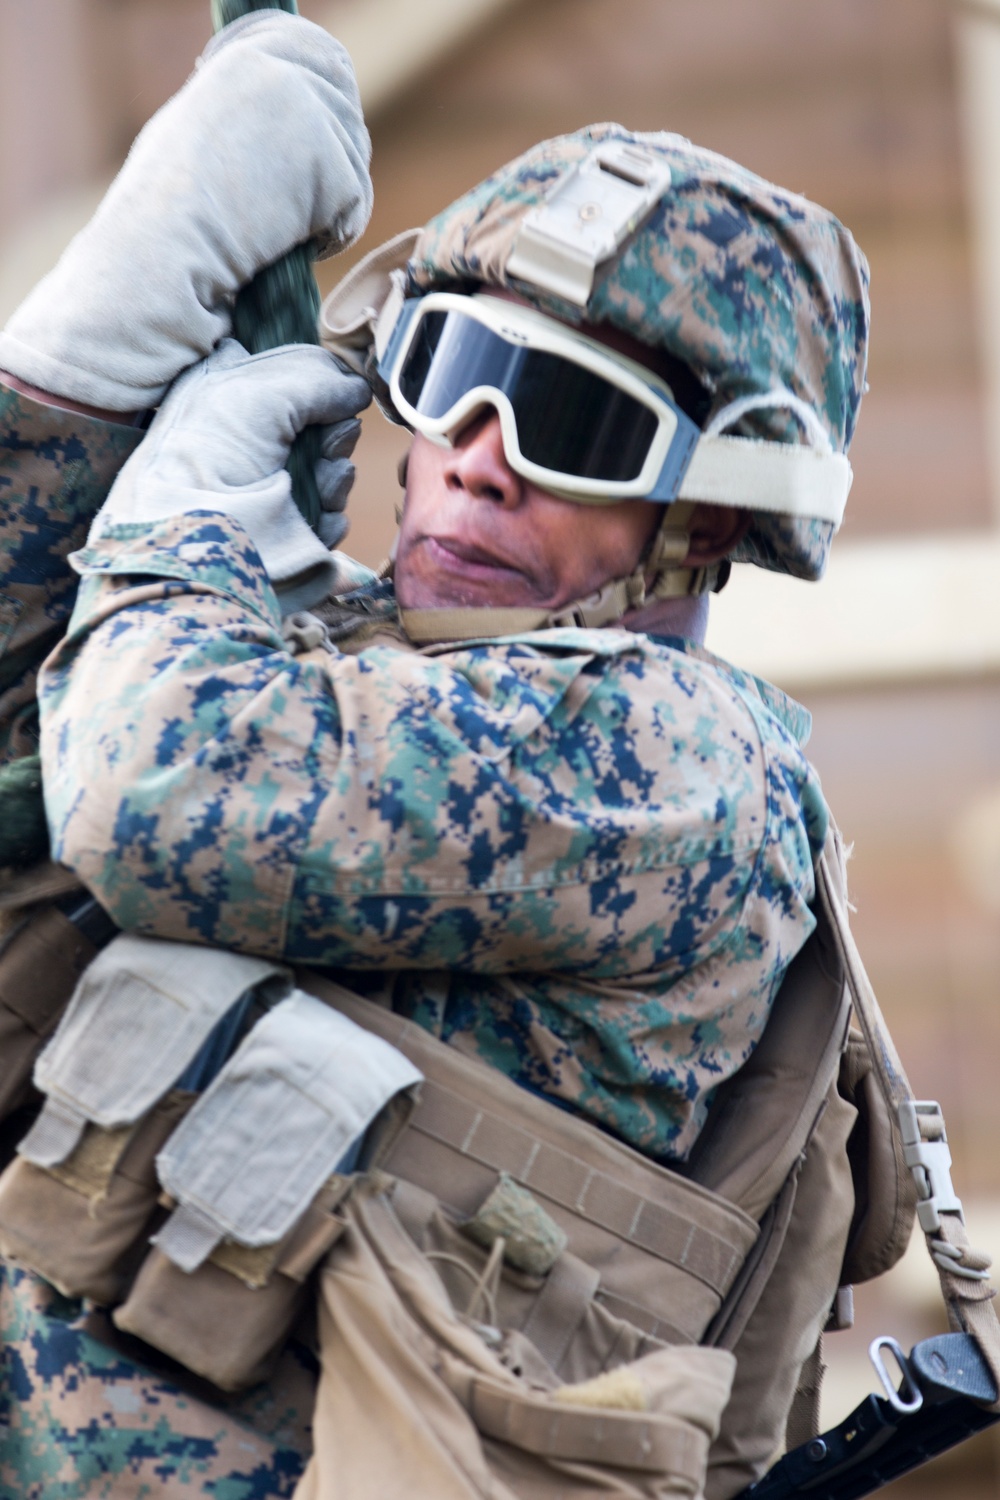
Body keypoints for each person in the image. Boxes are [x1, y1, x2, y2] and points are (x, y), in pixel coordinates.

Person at [0, 11, 870, 1499]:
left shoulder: (672, 770)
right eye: (449, 364)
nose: (474, 447)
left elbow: (144, 788)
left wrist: (172, 535)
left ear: (709, 520)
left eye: (570, 418)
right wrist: (67, 394)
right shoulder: (321, 670)